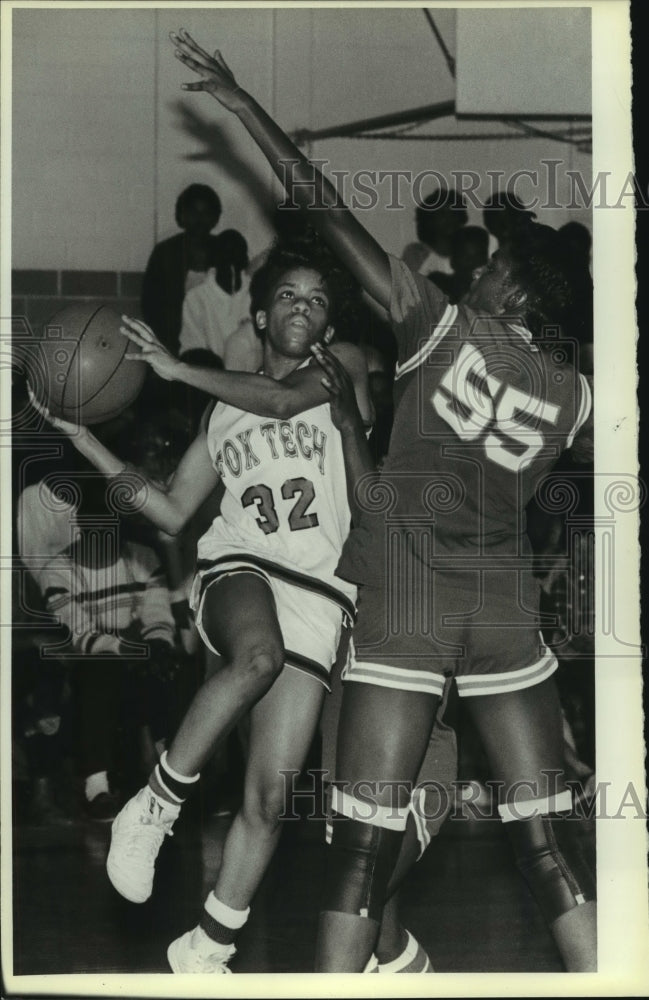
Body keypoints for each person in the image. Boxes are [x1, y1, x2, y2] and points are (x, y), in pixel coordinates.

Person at [169, 28, 597, 973]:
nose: (471, 267)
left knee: (359, 853)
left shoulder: (440, 327)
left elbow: (324, 211)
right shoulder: (574, 397)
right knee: (544, 850)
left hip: (408, 606)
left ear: (512, 290)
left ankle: (361, 959)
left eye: (489, 265)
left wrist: (246, 110)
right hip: (503, 610)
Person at [32, 237, 374, 968]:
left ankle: (208, 947)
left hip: (322, 593)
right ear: (256, 315)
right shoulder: (219, 417)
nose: (301, 308)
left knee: (270, 798)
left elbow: (282, 400)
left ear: (329, 327)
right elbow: (169, 513)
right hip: (239, 566)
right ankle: (151, 808)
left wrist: (176, 367)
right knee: (256, 655)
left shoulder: (340, 370)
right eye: (287, 295)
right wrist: (84, 438)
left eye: (316, 301)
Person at [141, 183, 223, 352]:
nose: (200, 219)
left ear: (215, 218)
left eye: (206, 213)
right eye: (193, 212)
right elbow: (150, 304)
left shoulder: (224, 251)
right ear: (181, 215)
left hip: (217, 341)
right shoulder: (165, 252)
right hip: (173, 342)